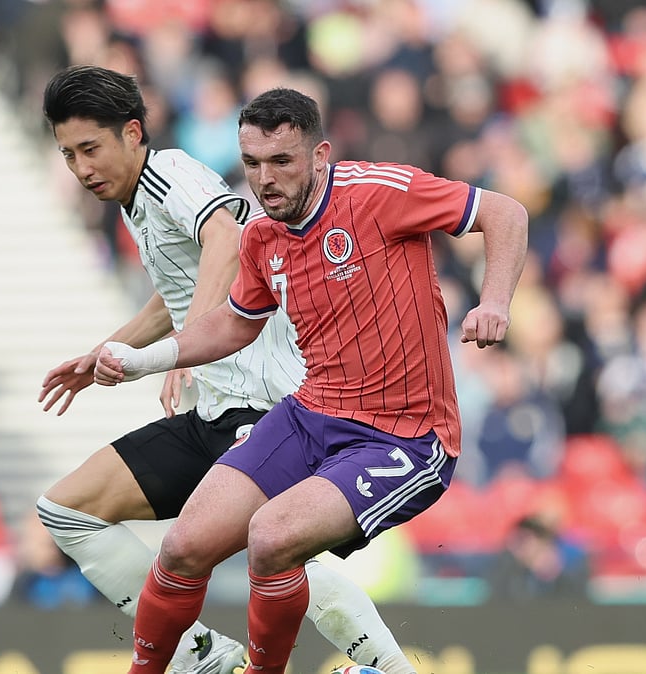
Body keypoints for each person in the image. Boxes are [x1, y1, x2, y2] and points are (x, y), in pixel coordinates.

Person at [95, 87, 529, 673]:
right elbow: (234, 324)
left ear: (319, 154)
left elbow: (506, 212)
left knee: (271, 536)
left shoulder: (378, 194)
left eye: (282, 162)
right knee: (182, 546)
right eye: (252, 164)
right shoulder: (262, 237)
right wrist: (145, 359)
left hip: (404, 437)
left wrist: (495, 300)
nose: (264, 180)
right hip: (311, 414)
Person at [35, 65, 419, 674]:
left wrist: (184, 347)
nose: (82, 168)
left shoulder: (169, 173)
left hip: (264, 406)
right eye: (68, 155)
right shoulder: (140, 205)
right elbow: (179, 291)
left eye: (91, 148)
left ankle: (391, 668)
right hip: (213, 411)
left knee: (283, 548)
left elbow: (227, 237)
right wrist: (112, 352)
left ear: (133, 133)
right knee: (66, 509)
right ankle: (202, 657)